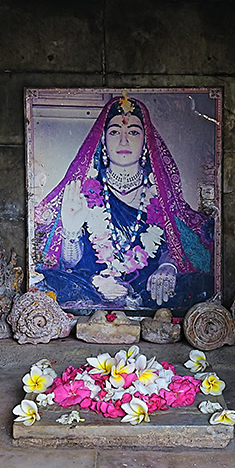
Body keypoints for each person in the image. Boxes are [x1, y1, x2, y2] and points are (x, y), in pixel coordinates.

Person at [32, 94, 214, 310]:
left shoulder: (158, 197)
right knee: (46, 282)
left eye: (134, 132)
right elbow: (68, 264)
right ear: (103, 141)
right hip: (93, 284)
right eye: (115, 132)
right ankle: (110, 299)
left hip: (147, 285)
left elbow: (173, 243)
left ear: (146, 142)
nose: (124, 140)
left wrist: (168, 267)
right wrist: (71, 232)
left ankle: (131, 299)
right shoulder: (83, 192)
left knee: (201, 284)